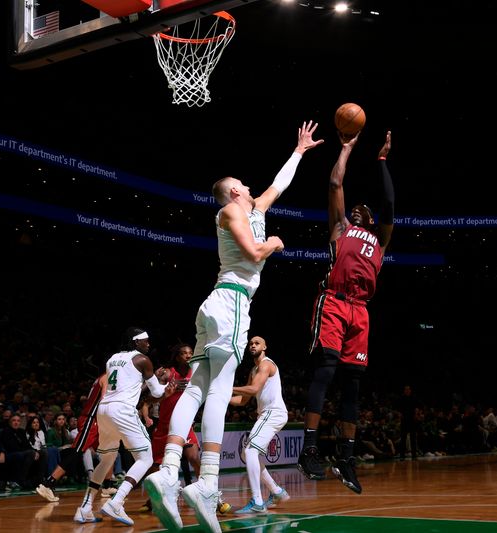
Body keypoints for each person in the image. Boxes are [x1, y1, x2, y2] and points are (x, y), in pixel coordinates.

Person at [145, 120, 322, 533]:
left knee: (197, 386)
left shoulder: (255, 208)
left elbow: (280, 184)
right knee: (218, 391)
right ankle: (206, 482)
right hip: (232, 304)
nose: (249, 185)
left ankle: (170, 471)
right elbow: (255, 252)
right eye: (242, 183)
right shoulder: (230, 211)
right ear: (234, 192)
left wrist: (298, 151)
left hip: (215, 307)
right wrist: (276, 244)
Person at [297, 130, 394, 494]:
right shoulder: (341, 229)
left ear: (371, 219)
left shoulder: (381, 238)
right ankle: (309, 449)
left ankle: (346, 457)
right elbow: (336, 181)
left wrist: (382, 161)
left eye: (362, 210)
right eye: (354, 209)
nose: (356, 210)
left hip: (361, 311)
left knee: (353, 382)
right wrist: (347, 148)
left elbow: (388, 202)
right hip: (335, 302)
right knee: (325, 371)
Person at [74, 328, 173, 525]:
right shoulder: (143, 360)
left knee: (106, 459)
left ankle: (84, 508)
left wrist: (152, 379)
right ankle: (117, 501)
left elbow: (130, 385)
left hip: (105, 409)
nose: (148, 344)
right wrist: (168, 385)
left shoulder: (113, 358)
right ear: (136, 342)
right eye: (145, 341)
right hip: (123, 410)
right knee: (146, 458)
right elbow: (156, 392)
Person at [139, 343, 231, 514]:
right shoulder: (166, 373)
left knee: (194, 458)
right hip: (164, 425)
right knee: (154, 466)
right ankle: (153, 500)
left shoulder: (197, 374)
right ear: (177, 356)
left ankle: (213, 497)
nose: (188, 356)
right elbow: (148, 400)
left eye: (190, 353)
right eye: (184, 353)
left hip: (184, 424)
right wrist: (164, 394)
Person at [229, 336, 291, 514]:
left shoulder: (266, 364)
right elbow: (243, 400)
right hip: (268, 414)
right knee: (247, 453)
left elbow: (254, 389)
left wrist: (227, 387)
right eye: (251, 344)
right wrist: (220, 397)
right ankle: (277, 491)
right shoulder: (254, 370)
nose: (253, 345)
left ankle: (257, 501)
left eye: (257, 343)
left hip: (273, 413)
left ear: (265, 346)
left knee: (249, 451)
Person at [36, 373, 115, 503]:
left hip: (97, 421)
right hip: (90, 419)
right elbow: (104, 400)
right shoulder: (107, 377)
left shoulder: (104, 377)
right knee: (76, 451)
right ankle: (48, 483)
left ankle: (107, 485)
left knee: (110, 450)